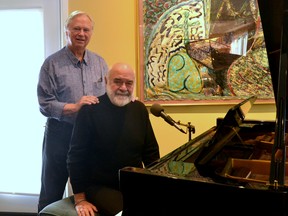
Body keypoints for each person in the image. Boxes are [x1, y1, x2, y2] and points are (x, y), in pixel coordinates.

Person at [37, 10, 108, 212]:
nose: (81, 33)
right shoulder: (51, 64)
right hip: (59, 135)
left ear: (91, 33)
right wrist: (74, 107)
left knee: (87, 192)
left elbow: (105, 98)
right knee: (51, 191)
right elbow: (44, 103)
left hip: (89, 138)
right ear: (67, 31)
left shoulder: (100, 63)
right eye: (76, 28)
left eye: (86, 29)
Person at [67, 63, 160, 216]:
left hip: (134, 183)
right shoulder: (89, 110)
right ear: (106, 81)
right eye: (117, 81)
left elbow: (151, 154)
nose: (123, 87)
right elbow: (75, 157)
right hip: (99, 186)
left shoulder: (140, 110)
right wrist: (80, 199)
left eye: (129, 83)